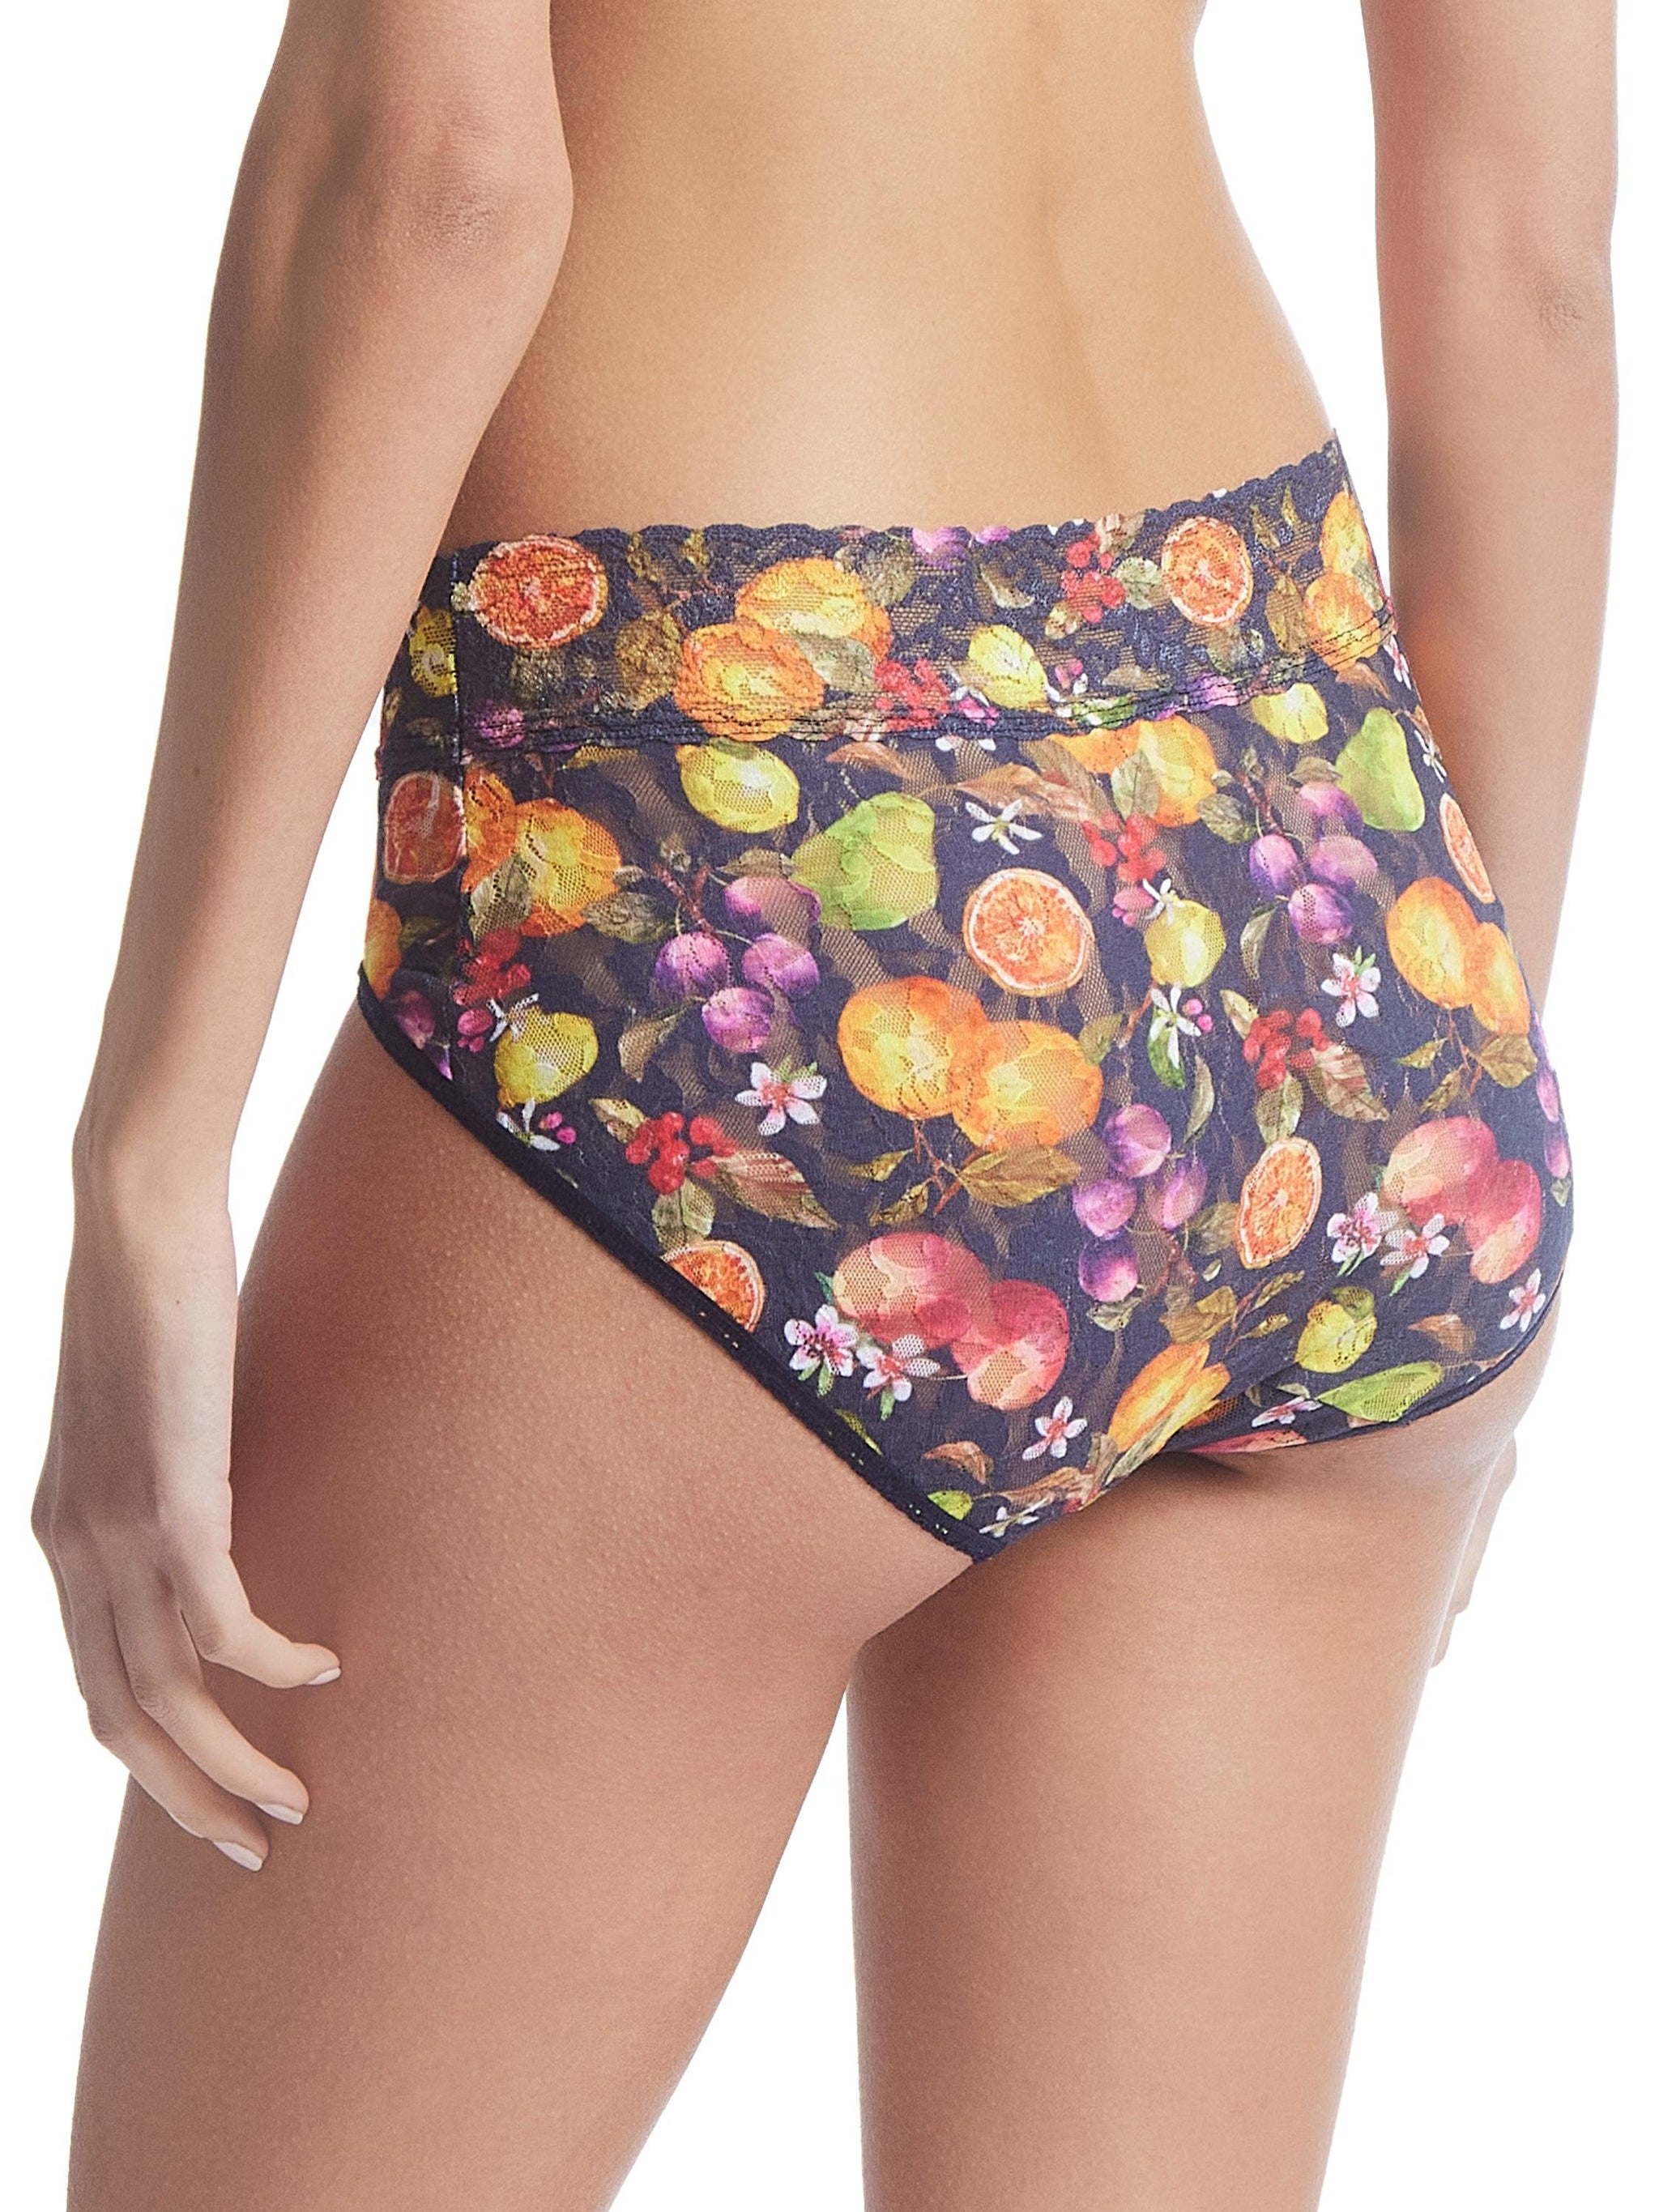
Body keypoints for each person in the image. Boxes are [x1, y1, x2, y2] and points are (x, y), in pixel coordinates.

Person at [33, 2, 1614, 2205]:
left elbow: (434, 182)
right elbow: (1532, 254)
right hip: (1326, 847)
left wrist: (152, 1141)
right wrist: (1436, 1094)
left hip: (746, 804)